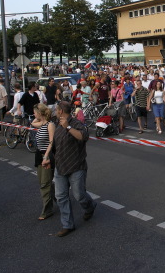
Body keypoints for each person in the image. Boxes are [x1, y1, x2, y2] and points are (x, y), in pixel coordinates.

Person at [51, 101, 96, 237]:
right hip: (60, 166)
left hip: (76, 165)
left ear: (61, 111)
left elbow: (83, 137)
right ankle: (67, 225)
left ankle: (90, 206)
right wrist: (48, 158)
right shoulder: (56, 123)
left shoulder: (76, 123)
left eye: (56, 109)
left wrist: (68, 127)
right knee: (61, 196)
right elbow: (55, 144)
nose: (55, 111)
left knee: (79, 195)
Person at [31, 103, 56, 220]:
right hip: (39, 156)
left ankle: (47, 210)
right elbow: (32, 123)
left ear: (40, 113)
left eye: (35, 112)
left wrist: (46, 156)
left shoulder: (50, 125)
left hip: (46, 156)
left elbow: (51, 142)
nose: (33, 114)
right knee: (44, 181)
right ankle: (59, 197)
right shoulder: (41, 124)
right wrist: (39, 116)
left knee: (44, 184)